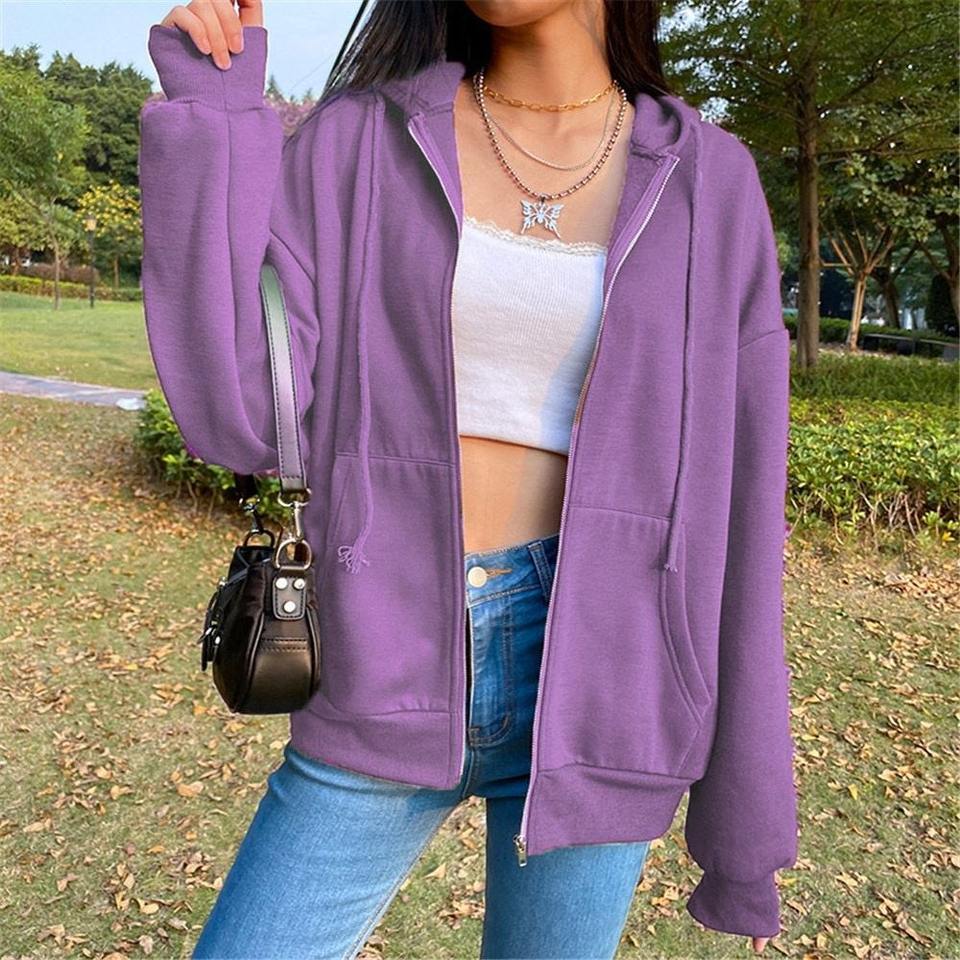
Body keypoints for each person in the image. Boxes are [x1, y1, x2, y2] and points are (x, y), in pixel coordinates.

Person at [138, 0, 799, 957]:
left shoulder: (710, 180)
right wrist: (215, 112)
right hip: (381, 649)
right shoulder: (359, 142)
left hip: (610, 681)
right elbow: (239, 414)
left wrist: (745, 813)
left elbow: (741, 509)